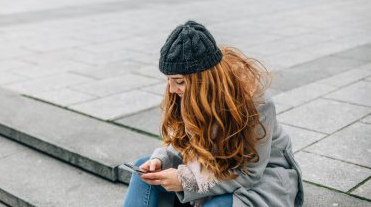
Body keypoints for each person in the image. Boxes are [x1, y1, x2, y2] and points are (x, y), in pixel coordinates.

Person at [123, 20, 304, 207]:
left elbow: (250, 173)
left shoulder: (256, 103)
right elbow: (183, 143)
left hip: (260, 179)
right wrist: (161, 160)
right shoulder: (187, 94)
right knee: (145, 174)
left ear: (203, 80)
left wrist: (187, 182)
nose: (171, 89)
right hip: (209, 169)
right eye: (169, 80)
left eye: (178, 81)